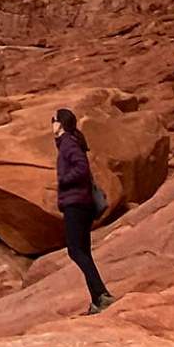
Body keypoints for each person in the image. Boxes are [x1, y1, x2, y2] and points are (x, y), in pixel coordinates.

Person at [52, 108, 115, 313]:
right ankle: (98, 299)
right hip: (81, 203)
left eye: (53, 120)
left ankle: (101, 295)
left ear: (60, 123)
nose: (51, 124)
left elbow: (81, 168)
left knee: (75, 250)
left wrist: (63, 180)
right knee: (83, 252)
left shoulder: (68, 143)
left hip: (75, 204)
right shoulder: (70, 142)